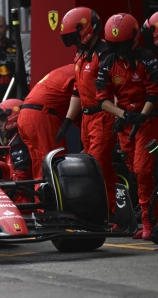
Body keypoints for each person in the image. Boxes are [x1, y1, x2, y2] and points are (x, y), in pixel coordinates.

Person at [96, 13, 158, 240]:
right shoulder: (107, 62)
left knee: (143, 170)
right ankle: (148, 218)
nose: (118, 49)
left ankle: (148, 222)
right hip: (125, 125)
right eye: (114, 45)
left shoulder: (148, 59)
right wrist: (124, 114)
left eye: (121, 44)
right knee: (134, 172)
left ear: (132, 40)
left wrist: (141, 115)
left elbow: (154, 92)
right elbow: (102, 100)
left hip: (149, 124)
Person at [58, 7, 118, 215]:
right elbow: (77, 89)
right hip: (86, 119)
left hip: (104, 116)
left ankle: (109, 212)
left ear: (86, 30)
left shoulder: (105, 54)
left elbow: (116, 87)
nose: (74, 41)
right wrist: (67, 120)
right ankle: (111, 211)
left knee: (97, 167)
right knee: (95, 167)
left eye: (75, 36)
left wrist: (119, 114)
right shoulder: (81, 55)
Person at [17, 64, 76, 184]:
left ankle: (41, 200)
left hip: (25, 115)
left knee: (40, 166)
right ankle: (52, 201)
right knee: (54, 165)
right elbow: (84, 102)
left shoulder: (64, 70)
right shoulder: (80, 72)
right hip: (41, 117)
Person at [0, 99, 33, 203]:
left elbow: (21, 177)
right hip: (19, 194)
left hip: (23, 199)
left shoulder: (19, 142)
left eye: (2, 120)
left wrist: (6, 191)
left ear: (12, 117)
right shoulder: (14, 139)